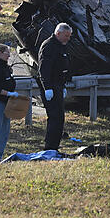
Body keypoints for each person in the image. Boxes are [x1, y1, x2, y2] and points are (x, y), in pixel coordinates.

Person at [38, 22, 72, 151]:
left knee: (60, 118)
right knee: (54, 117)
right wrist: (47, 87)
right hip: (50, 86)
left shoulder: (62, 46)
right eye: (66, 36)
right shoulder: (49, 46)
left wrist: (63, 85)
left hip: (58, 85)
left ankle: (55, 146)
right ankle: (50, 147)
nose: (68, 39)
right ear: (58, 33)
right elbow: (44, 68)